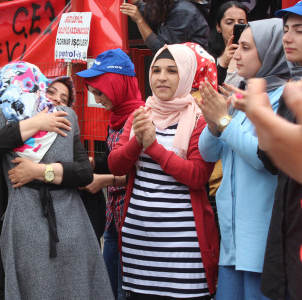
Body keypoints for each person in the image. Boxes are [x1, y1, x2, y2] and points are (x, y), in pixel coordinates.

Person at [0, 61, 113, 299]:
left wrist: (39, 171)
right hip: (24, 227)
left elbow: (83, 172)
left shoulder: (66, 115)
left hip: (70, 224)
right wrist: (32, 124)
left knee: (74, 287)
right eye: (52, 92)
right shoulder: (4, 116)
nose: (53, 99)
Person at [108, 44, 219, 299]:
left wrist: (154, 147)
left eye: (171, 71)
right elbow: (116, 166)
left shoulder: (200, 119)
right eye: (156, 70)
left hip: (183, 248)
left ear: (186, 76)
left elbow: (197, 175)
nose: (161, 77)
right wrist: (137, 140)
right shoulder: (140, 115)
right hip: (140, 242)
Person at [195, 18, 290, 300]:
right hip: (233, 242)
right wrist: (214, 123)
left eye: (246, 48)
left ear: (271, 51)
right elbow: (208, 153)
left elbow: (265, 157)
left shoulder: (285, 98)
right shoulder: (244, 95)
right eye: (238, 47)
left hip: (263, 242)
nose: (236, 54)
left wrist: (224, 122)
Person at [228, 4, 302, 298]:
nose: (288, 38)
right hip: (285, 230)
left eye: (299, 31)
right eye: (285, 31)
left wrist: (229, 121)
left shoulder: (284, 92)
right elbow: (272, 160)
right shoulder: (290, 89)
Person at [76, 48, 144, 300]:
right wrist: (93, 164)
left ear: (116, 84)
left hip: (133, 221)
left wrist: (105, 180)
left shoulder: (141, 118)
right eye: (93, 93)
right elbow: (113, 159)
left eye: (99, 91)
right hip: (113, 219)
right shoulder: (115, 117)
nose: (97, 98)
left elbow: (143, 173)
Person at [120, 0, 210, 53]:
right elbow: (153, 12)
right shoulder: (180, 4)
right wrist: (137, 3)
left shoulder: (184, 10)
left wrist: (139, 20)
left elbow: (162, 49)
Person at [207, 1, 248, 87]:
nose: (235, 27)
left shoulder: (255, 56)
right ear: (218, 27)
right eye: (229, 22)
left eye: (241, 23)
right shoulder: (207, 57)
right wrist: (223, 64)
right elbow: (206, 90)